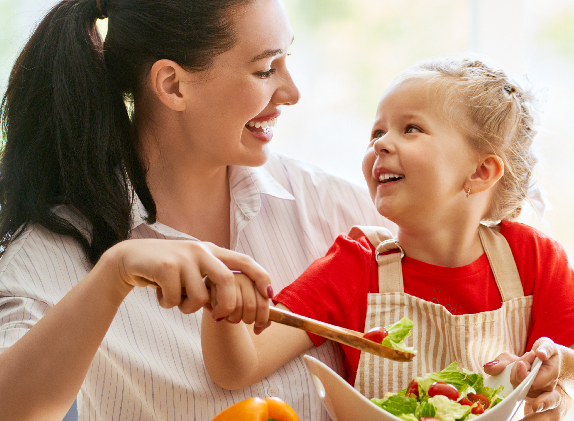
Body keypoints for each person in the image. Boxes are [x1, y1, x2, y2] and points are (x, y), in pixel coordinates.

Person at [0, 0, 388, 419]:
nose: (292, 93)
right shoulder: (51, 253)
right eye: (264, 70)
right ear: (172, 85)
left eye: (285, 59)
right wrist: (113, 274)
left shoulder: (332, 208)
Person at [201, 57, 574, 420]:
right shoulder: (356, 264)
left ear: (480, 172)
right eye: (377, 132)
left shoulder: (531, 257)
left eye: (411, 129)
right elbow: (238, 368)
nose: (382, 144)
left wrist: (560, 365)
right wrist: (219, 299)